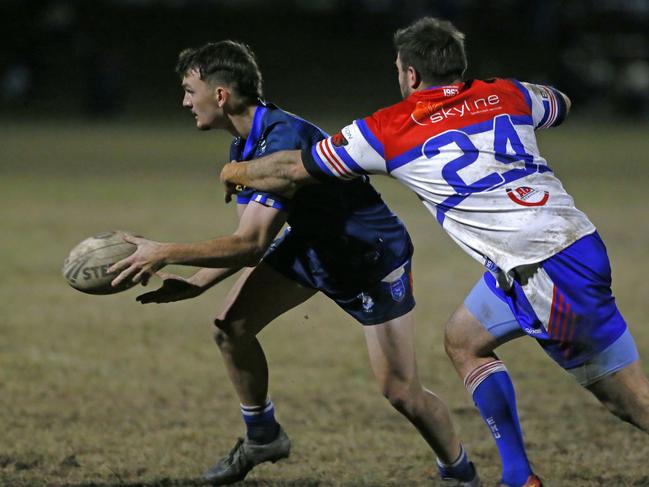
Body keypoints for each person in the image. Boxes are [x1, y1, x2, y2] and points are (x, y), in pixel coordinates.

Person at [218, 17, 649, 487]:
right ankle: (518, 476)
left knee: (630, 402)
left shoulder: (388, 128)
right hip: (565, 245)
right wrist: (503, 95)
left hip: (545, 269)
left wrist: (235, 171)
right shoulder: (507, 93)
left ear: (410, 75)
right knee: (465, 339)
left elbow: (292, 169)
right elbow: (560, 103)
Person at [108, 40, 480, 486]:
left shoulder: (280, 138)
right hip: (312, 248)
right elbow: (247, 242)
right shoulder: (244, 148)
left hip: (369, 258)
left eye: (191, 90)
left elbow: (249, 244)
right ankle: (263, 436)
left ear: (220, 94)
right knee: (232, 328)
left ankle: (460, 473)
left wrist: (163, 250)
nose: (185, 101)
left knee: (401, 391)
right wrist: (197, 283)